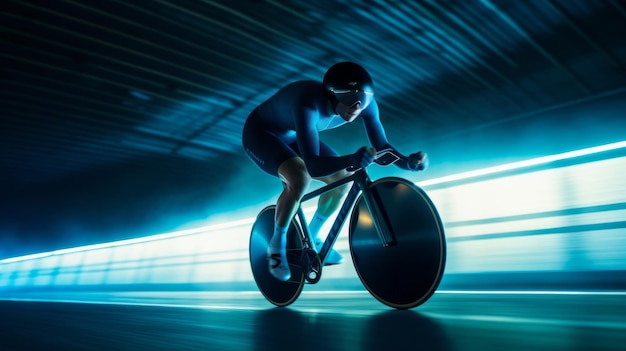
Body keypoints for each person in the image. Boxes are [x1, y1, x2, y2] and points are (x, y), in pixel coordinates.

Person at [242, 62, 427, 281]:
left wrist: (407, 163)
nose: (355, 109)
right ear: (331, 96)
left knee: (345, 180)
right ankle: (276, 244)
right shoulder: (308, 104)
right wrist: (352, 158)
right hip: (261, 133)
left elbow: (382, 147)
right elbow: (313, 165)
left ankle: (312, 236)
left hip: (293, 134)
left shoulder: (365, 104)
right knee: (300, 176)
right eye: (349, 104)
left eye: (359, 106)